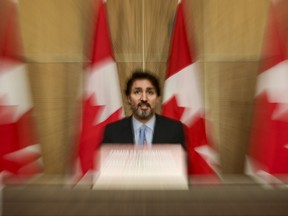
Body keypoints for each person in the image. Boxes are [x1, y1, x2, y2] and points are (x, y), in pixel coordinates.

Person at [102, 70, 185, 148]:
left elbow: (181, 163)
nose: (144, 98)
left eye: (150, 92)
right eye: (137, 92)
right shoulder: (112, 132)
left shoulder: (174, 130)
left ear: (158, 98)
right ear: (129, 98)